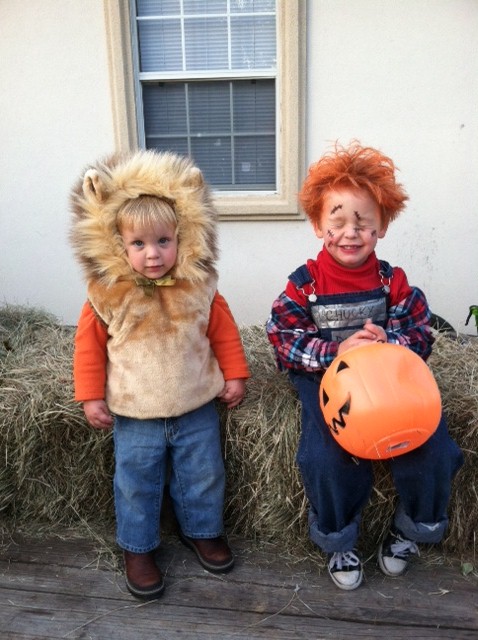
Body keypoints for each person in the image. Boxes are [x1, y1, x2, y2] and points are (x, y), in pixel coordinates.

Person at [266, 142, 463, 591]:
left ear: (382, 227)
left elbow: (421, 332)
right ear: (318, 225)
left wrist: (389, 342)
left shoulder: (392, 282)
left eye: (363, 222)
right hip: (328, 383)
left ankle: (411, 528)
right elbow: (282, 337)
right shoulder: (305, 285)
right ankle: (338, 539)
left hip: (390, 382)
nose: (349, 233)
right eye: (337, 221)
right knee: (325, 457)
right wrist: (336, 353)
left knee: (435, 450)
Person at [71, 150, 250, 599]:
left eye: (163, 241)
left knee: (203, 473)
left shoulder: (200, 287)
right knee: (136, 482)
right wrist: (91, 396)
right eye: (139, 244)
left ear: (183, 237)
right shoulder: (107, 295)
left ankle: (202, 531)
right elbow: (88, 349)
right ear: (118, 245)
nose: (153, 254)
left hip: (195, 405)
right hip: (136, 413)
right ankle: (138, 547)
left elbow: (223, 333)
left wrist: (235, 375)